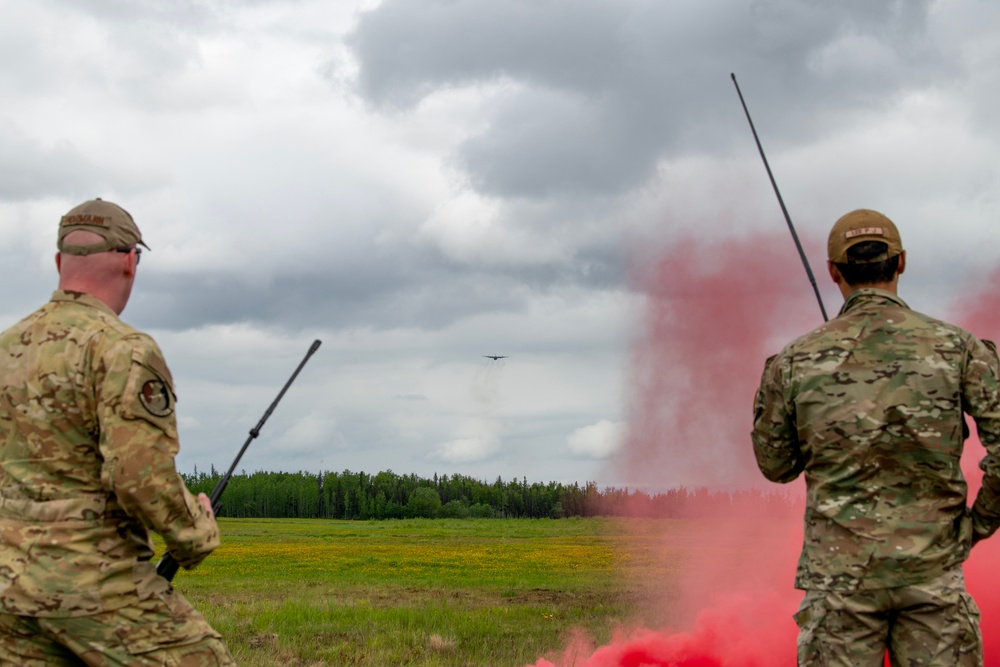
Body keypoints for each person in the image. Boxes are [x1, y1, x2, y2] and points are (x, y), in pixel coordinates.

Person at [752, 209, 1000, 666]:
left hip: (840, 584)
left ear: (833, 272)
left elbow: (777, 466)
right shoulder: (959, 348)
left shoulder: (793, 362)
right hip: (934, 575)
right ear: (900, 262)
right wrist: (976, 526)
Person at [0, 199, 236, 665]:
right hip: (94, 584)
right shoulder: (122, 350)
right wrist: (196, 533)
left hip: (8, 590)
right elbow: (138, 475)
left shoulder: (7, 349)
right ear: (131, 261)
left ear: (58, 262)